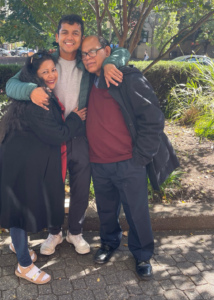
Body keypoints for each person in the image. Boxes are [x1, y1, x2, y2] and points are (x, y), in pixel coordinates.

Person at [5, 14, 130, 256]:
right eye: (65, 32)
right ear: (57, 36)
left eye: (75, 33)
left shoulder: (88, 62)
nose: (70, 38)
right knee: (53, 187)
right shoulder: (46, 61)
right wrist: (31, 90)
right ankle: (55, 233)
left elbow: (122, 51)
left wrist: (111, 62)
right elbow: (11, 84)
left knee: (82, 187)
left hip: (81, 135)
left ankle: (76, 231)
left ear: (81, 37)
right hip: (52, 136)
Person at [0, 51, 86, 284]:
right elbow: (57, 134)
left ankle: (18, 246)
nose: (51, 75)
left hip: (19, 160)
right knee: (18, 213)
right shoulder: (38, 101)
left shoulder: (33, 94)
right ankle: (24, 265)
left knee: (17, 207)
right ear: (34, 76)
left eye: (53, 69)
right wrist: (75, 118)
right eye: (45, 72)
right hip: (19, 163)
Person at [81, 36, 179, 280]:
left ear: (106, 51)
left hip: (128, 162)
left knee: (137, 212)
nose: (87, 58)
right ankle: (108, 243)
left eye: (92, 52)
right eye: (83, 54)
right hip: (98, 162)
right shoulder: (89, 80)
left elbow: (153, 118)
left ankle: (143, 254)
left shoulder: (127, 78)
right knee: (105, 210)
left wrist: (141, 157)